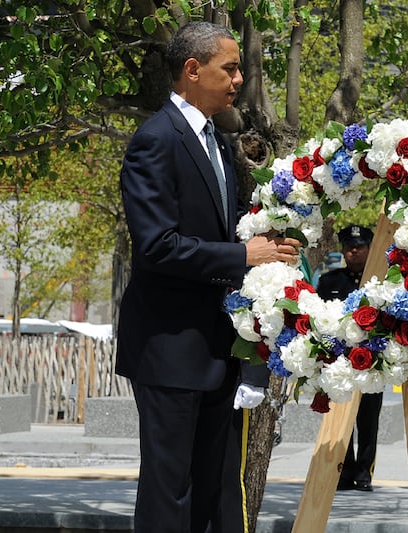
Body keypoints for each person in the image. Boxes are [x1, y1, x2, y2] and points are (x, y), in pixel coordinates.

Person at [116, 21, 300, 533]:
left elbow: (229, 225)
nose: (241, 78)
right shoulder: (155, 140)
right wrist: (244, 255)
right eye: (231, 67)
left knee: (208, 489)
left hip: (216, 347)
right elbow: (157, 246)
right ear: (193, 71)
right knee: (168, 488)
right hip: (170, 346)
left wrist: (274, 244)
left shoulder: (217, 139)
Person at [317, 225, 380, 491]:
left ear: (369, 249)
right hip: (340, 361)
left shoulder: (378, 280)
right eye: (349, 247)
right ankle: (343, 471)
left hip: (371, 359)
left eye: (360, 247)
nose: (354, 252)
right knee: (340, 417)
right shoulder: (330, 281)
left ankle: (364, 472)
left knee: (368, 420)